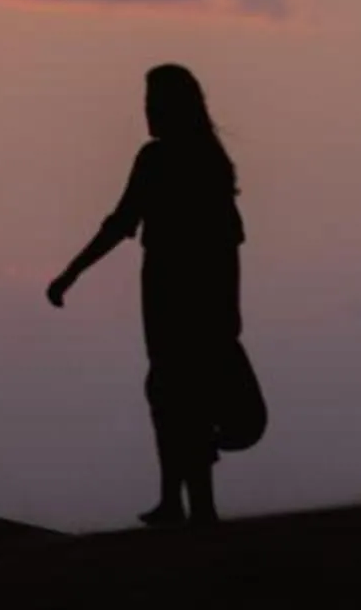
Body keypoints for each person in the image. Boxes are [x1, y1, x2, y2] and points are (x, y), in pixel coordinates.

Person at [48, 64, 248, 528]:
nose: (147, 116)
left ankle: (188, 505)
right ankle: (181, 503)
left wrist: (70, 274)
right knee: (173, 392)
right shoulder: (205, 160)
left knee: (176, 393)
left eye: (154, 107)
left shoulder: (166, 161)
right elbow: (227, 241)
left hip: (179, 290)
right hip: (176, 290)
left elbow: (123, 224)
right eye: (145, 107)